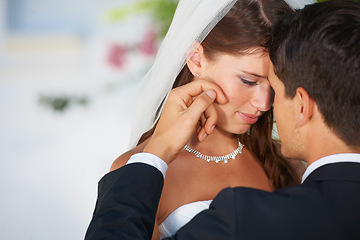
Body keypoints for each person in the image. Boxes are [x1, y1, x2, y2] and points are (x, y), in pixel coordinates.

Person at [85, 0, 360, 239]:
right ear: (196, 59)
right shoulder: (140, 171)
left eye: (274, 85)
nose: (264, 103)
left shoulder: (285, 161)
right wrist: (158, 151)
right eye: (248, 80)